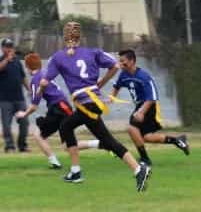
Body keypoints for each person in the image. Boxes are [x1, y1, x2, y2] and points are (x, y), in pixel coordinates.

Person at [38, 22, 150, 192]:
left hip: (86, 103)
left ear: (64, 37)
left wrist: (39, 89)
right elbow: (114, 65)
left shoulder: (58, 57)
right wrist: (100, 83)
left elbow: (45, 81)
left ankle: (76, 172)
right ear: (79, 37)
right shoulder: (93, 52)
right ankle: (137, 169)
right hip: (93, 102)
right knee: (106, 140)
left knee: (66, 126)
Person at [15, 52, 101, 169]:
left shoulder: (36, 79)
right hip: (64, 106)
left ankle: (54, 162)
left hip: (58, 108)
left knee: (38, 134)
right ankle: (100, 143)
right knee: (67, 145)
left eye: (26, 66)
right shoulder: (46, 73)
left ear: (28, 67)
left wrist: (23, 114)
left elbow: (34, 106)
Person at [110, 49, 190, 167]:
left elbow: (152, 98)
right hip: (140, 106)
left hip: (150, 105)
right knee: (146, 137)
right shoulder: (124, 75)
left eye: (123, 61)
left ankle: (145, 159)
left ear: (132, 61)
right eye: (119, 61)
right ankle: (178, 140)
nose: (121, 64)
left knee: (132, 128)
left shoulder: (144, 77)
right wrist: (111, 98)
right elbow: (117, 86)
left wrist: (142, 112)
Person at [0, 38, 30, 153]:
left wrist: (29, 89)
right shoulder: (2, 60)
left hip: (19, 99)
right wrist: (7, 59)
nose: (9, 49)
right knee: (7, 125)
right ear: (2, 48)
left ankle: (22, 146)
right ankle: (10, 146)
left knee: (24, 122)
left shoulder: (17, 61)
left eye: (11, 46)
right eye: (7, 46)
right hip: (5, 100)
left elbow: (23, 77)